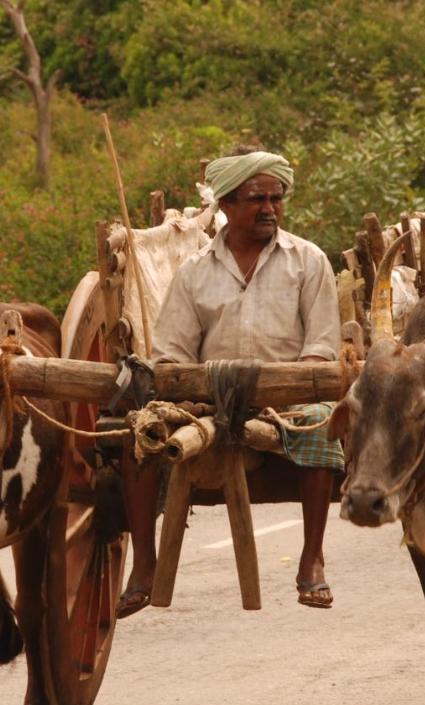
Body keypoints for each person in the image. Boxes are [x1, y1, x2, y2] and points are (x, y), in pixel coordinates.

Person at [118, 147, 344, 616]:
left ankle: (312, 560)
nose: (269, 208)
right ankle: (143, 565)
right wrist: (192, 395)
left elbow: (321, 347)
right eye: (255, 199)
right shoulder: (195, 272)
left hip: (290, 402)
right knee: (139, 431)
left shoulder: (309, 261)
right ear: (225, 205)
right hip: (206, 405)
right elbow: (173, 354)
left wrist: (284, 392)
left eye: (276, 198)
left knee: (324, 422)